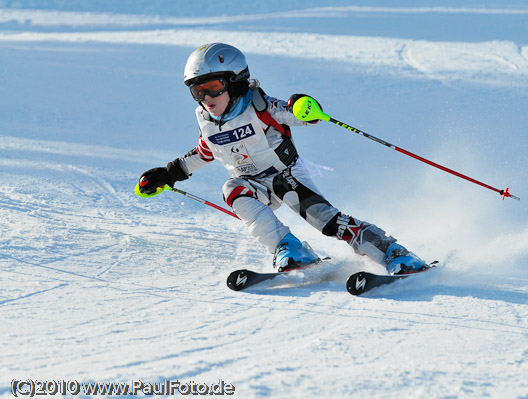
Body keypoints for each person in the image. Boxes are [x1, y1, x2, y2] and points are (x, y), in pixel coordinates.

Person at [137, 43, 427, 274]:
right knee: (232, 189)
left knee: (326, 222)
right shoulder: (207, 119)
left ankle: (392, 252)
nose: (205, 97)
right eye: (196, 90)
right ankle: (288, 247)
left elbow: (300, 114)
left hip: (286, 177)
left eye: (212, 87)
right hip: (253, 183)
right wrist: (170, 173)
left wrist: (304, 107)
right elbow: (206, 150)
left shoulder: (261, 106)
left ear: (235, 81)